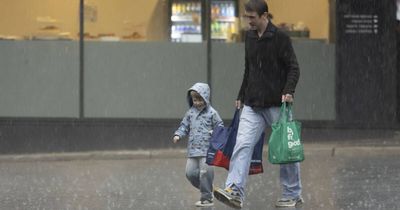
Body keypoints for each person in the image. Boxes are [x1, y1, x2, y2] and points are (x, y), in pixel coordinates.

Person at [213, 0, 302, 209]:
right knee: (242, 145)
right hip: (252, 105)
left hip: (276, 105)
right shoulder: (250, 37)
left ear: (265, 16)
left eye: (252, 17)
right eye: (247, 17)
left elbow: (294, 68)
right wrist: (241, 94)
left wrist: (288, 91)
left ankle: (292, 193)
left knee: (286, 151)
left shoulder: (280, 38)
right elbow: (249, 68)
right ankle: (234, 191)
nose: (248, 21)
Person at [172, 82, 223, 207]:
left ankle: (206, 198)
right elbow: (184, 126)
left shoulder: (212, 113)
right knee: (190, 173)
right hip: (193, 150)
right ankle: (207, 188)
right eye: (195, 100)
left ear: (206, 98)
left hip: (207, 150)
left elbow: (220, 126)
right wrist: (178, 134)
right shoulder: (190, 113)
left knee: (205, 172)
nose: (197, 103)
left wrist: (213, 132)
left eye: (200, 99)